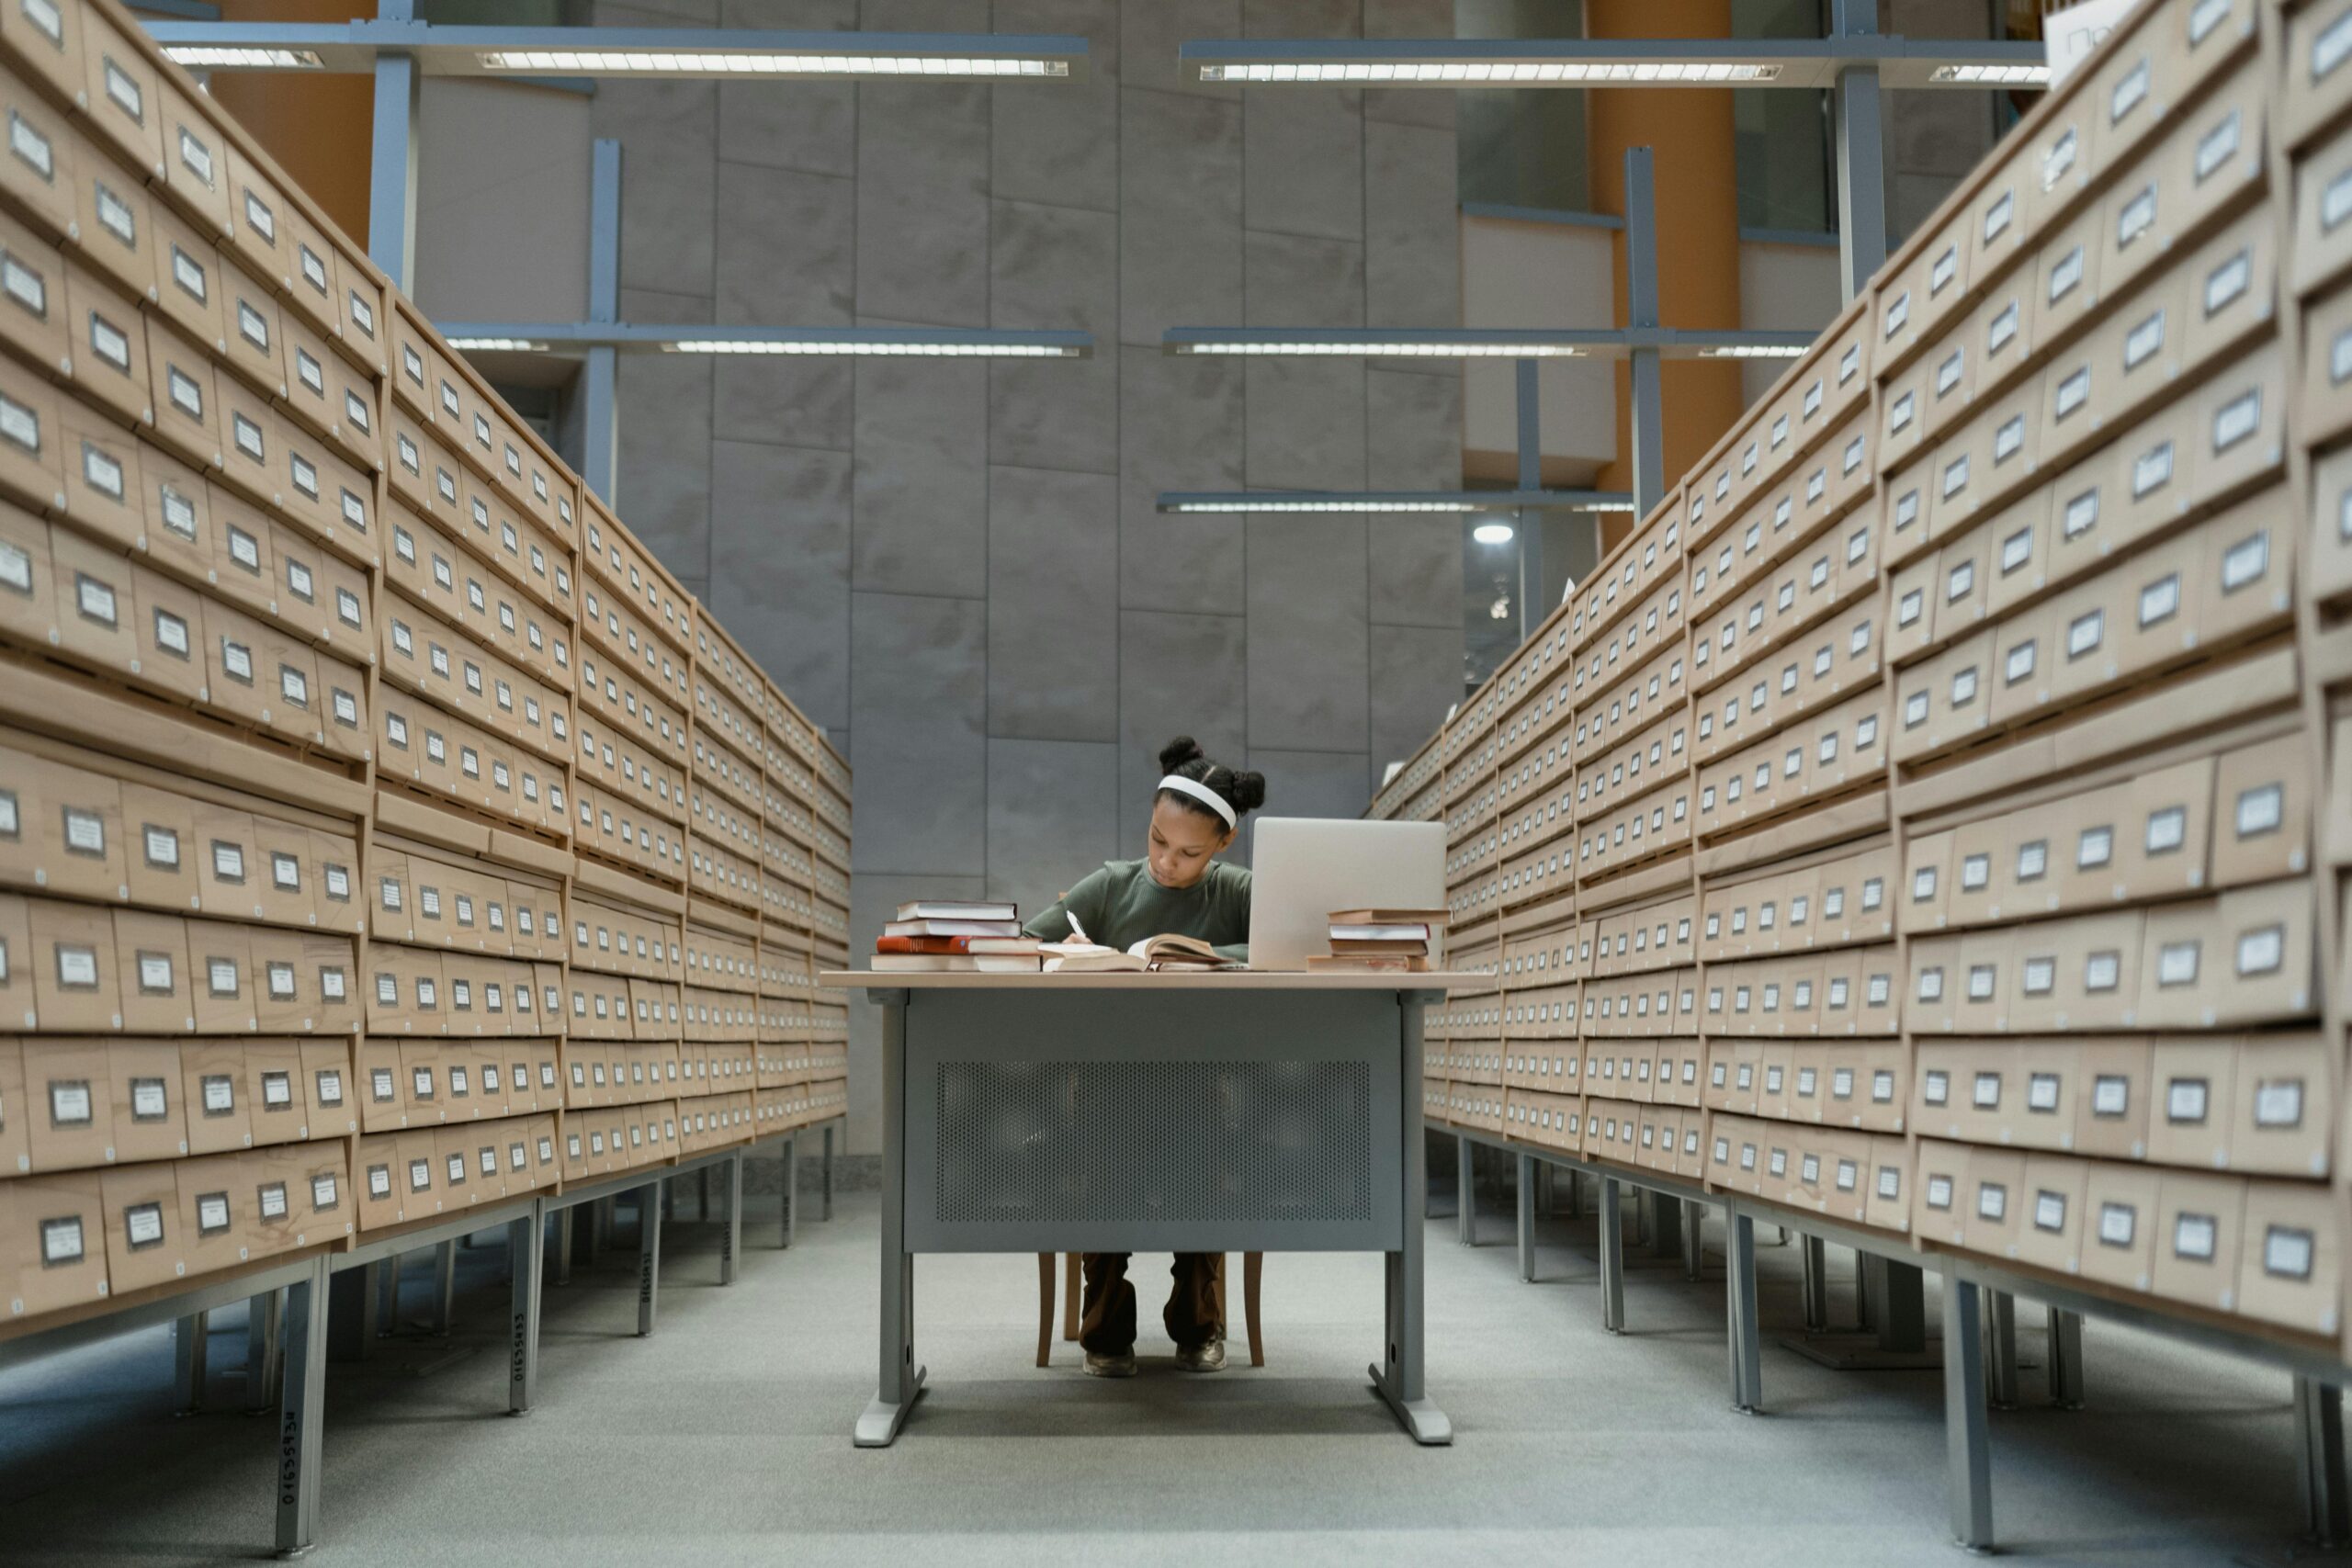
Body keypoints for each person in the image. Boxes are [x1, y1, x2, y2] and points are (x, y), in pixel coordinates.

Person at [1022, 736, 1267, 1378]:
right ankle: (1104, 1331)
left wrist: (1208, 956)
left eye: (1188, 851)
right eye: (1158, 839)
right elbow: (1028, 944)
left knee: (1205, 1189)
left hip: (1200, 1081)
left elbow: (1288, 943)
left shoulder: (1238, 891)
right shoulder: (1112, 883)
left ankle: (1199, 1325)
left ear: (1222, 845)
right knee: (1103, 1190)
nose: (1166, 860)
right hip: (1108, 1080)